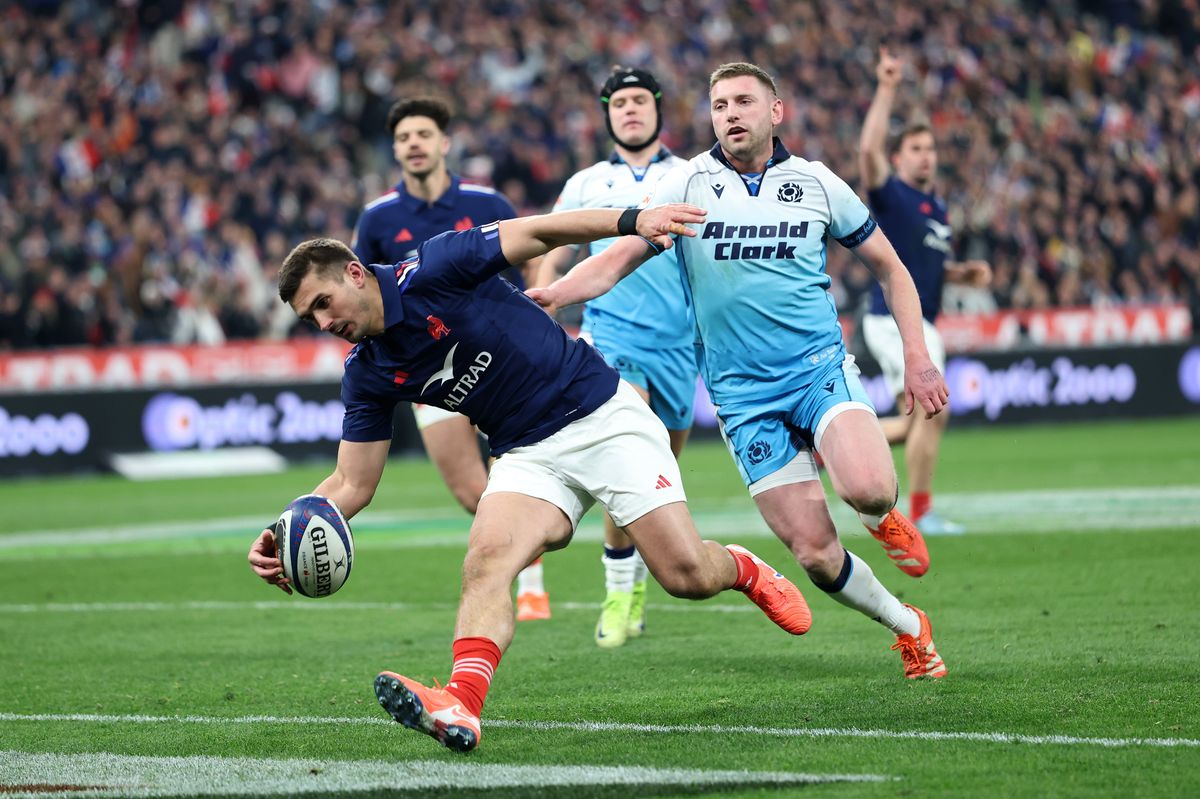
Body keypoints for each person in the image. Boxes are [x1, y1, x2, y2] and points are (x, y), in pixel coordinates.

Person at [247, 202, 815, 753]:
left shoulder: (437, 266)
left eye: (323, 303)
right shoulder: (366, 372)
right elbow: (352, 483)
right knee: (485, 561)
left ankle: (742, 566)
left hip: (600, 416)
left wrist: (632, 220)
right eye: (309, 319)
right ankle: (460, 703)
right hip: (526, 452)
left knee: (686, 576)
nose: (324, 323)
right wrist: (287, 526)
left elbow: (544, 232)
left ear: (354, 273)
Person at [530, 62, 948, 681]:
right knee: (814, 553)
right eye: (719, 103)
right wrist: (555, 295)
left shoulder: (817, 183)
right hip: (742, 396)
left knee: (867, 487)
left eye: (743, 101)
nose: (729, 112)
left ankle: (882, 515)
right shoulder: (686, 184)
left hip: (816, 372)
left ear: (774, 112)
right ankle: (910, 628)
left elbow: (892, 268)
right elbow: (615, 260)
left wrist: (917, 358)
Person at [352, 97, 550, 620]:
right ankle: (524, 567)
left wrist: (540, 302)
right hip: (430, 373)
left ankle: (527, 581)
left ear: (444, 143)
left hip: (499, 355)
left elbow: (531, 254)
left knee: (515, 469)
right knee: (470, 491)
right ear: (395, 150)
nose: (413, 144)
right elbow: (360, 291)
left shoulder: (487, 202)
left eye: (422, 134)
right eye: (402, 138)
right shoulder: (377, 218)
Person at [535, 67, 695, 649]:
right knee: (628, 456)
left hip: (680, 345)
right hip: (612, 338)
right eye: (619, 102)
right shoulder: (586, 182)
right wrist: (544, 292)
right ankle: (617, 591)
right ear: (607, 113)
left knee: (660, 472)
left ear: (657, 108)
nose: (630, 110)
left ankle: (639, 584)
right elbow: (549, 243)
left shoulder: (690, 174)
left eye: (639, 101)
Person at [858, 48, 992, 536]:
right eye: (915, 148)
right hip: (893, 318)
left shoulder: (936, 207)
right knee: (935, 407)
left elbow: (925, 265)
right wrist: (888, 87)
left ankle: (833, 444)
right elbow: (867, 152)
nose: (926, 155)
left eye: (929, 148)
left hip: (918, 320)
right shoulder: (893, 195)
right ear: (898, 159)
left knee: (918, 417)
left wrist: (959, 275)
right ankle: (920, 511)